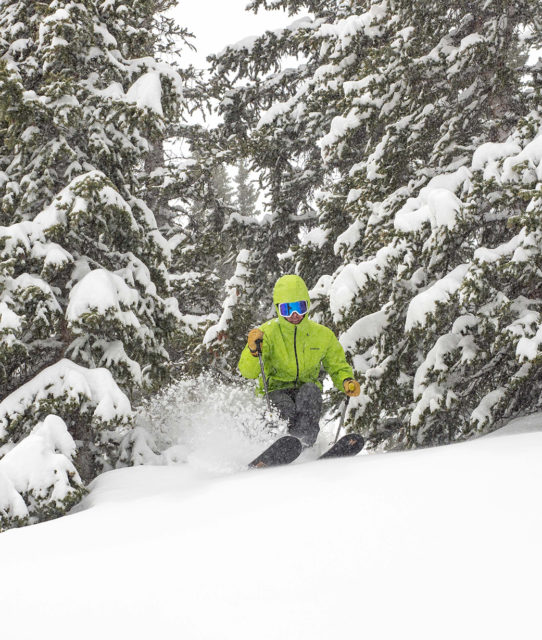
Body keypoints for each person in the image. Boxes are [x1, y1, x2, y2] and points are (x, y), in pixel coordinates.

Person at [238, 274, 361, 447]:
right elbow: (248, 372)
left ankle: (302, 445)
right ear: (278, 309)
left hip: (305, 388)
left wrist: (346, 380)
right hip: (275, 390)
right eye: (288, 309)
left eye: (300, 307)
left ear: (307, 306)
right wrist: (252, 351)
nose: (295, 314)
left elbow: (337, 364)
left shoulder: (322, 335)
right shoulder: (266, 334)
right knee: (284, 406)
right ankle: (277, 444)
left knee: (310, 394)